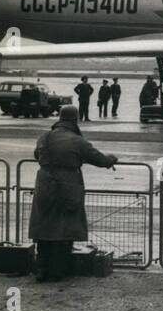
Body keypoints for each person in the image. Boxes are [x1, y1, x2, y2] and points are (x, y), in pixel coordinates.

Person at [28, 104, 118, 282]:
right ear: (75, 119)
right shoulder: (77, 141)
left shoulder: (44, 137)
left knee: (44, 229)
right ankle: (57, 271)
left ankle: (41, 270)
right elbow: (99, 159)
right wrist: (112, 159)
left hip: (44, 185)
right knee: (65, 229)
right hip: (67, 186)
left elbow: (37, 156)